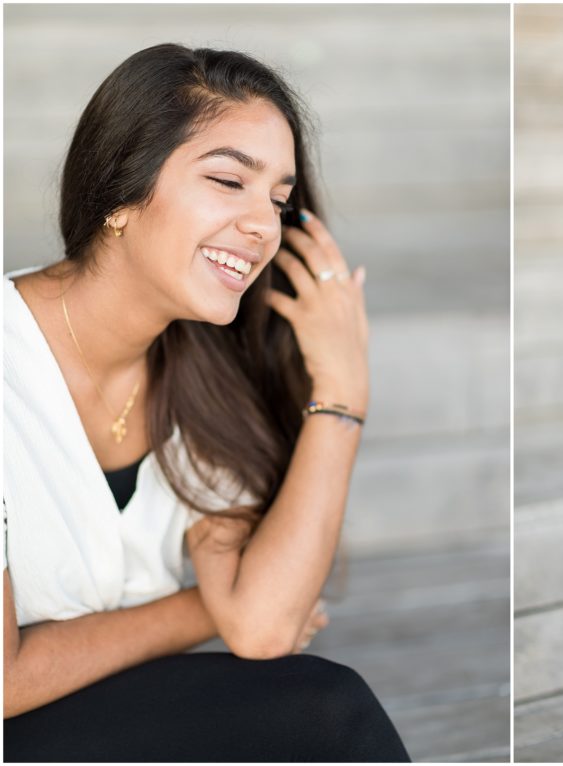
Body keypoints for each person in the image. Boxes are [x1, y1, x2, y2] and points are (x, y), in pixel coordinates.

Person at [3, 43, 410, 761]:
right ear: (121, 194)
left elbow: (262, 625)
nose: (263, 226)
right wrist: (197, 609)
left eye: (279, 201)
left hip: (99, 713)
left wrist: (343, 391)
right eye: (229, 181)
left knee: (323, 706)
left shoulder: (198, 369)